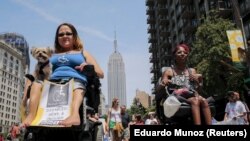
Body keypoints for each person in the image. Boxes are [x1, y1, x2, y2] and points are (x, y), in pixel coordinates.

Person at [22, 22, 104, 127]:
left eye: (68, 33)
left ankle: (74, 116)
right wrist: (25, 97)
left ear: (74, 36)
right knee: (37, 84)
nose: (64, 36)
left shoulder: (83, 53)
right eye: (61, 34)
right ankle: (31, 116)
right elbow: (34, 74)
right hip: (52, 83)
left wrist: (87, 66)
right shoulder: (51, 54)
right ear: (57, 38)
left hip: (75, 81)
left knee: (77, 86)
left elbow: (101, 74)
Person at [156, 43, 212, 125]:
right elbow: (160, 86)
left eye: (185, 52)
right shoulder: (169, 71)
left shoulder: (192, 71)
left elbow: (199, 90)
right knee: (195, 101)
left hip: (192, 94)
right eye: (179, 52)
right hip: (178, 96)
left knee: (203, 100)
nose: (182, 54)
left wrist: (199, 81)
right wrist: (163, 83)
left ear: (187, 55)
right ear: (174, 56)